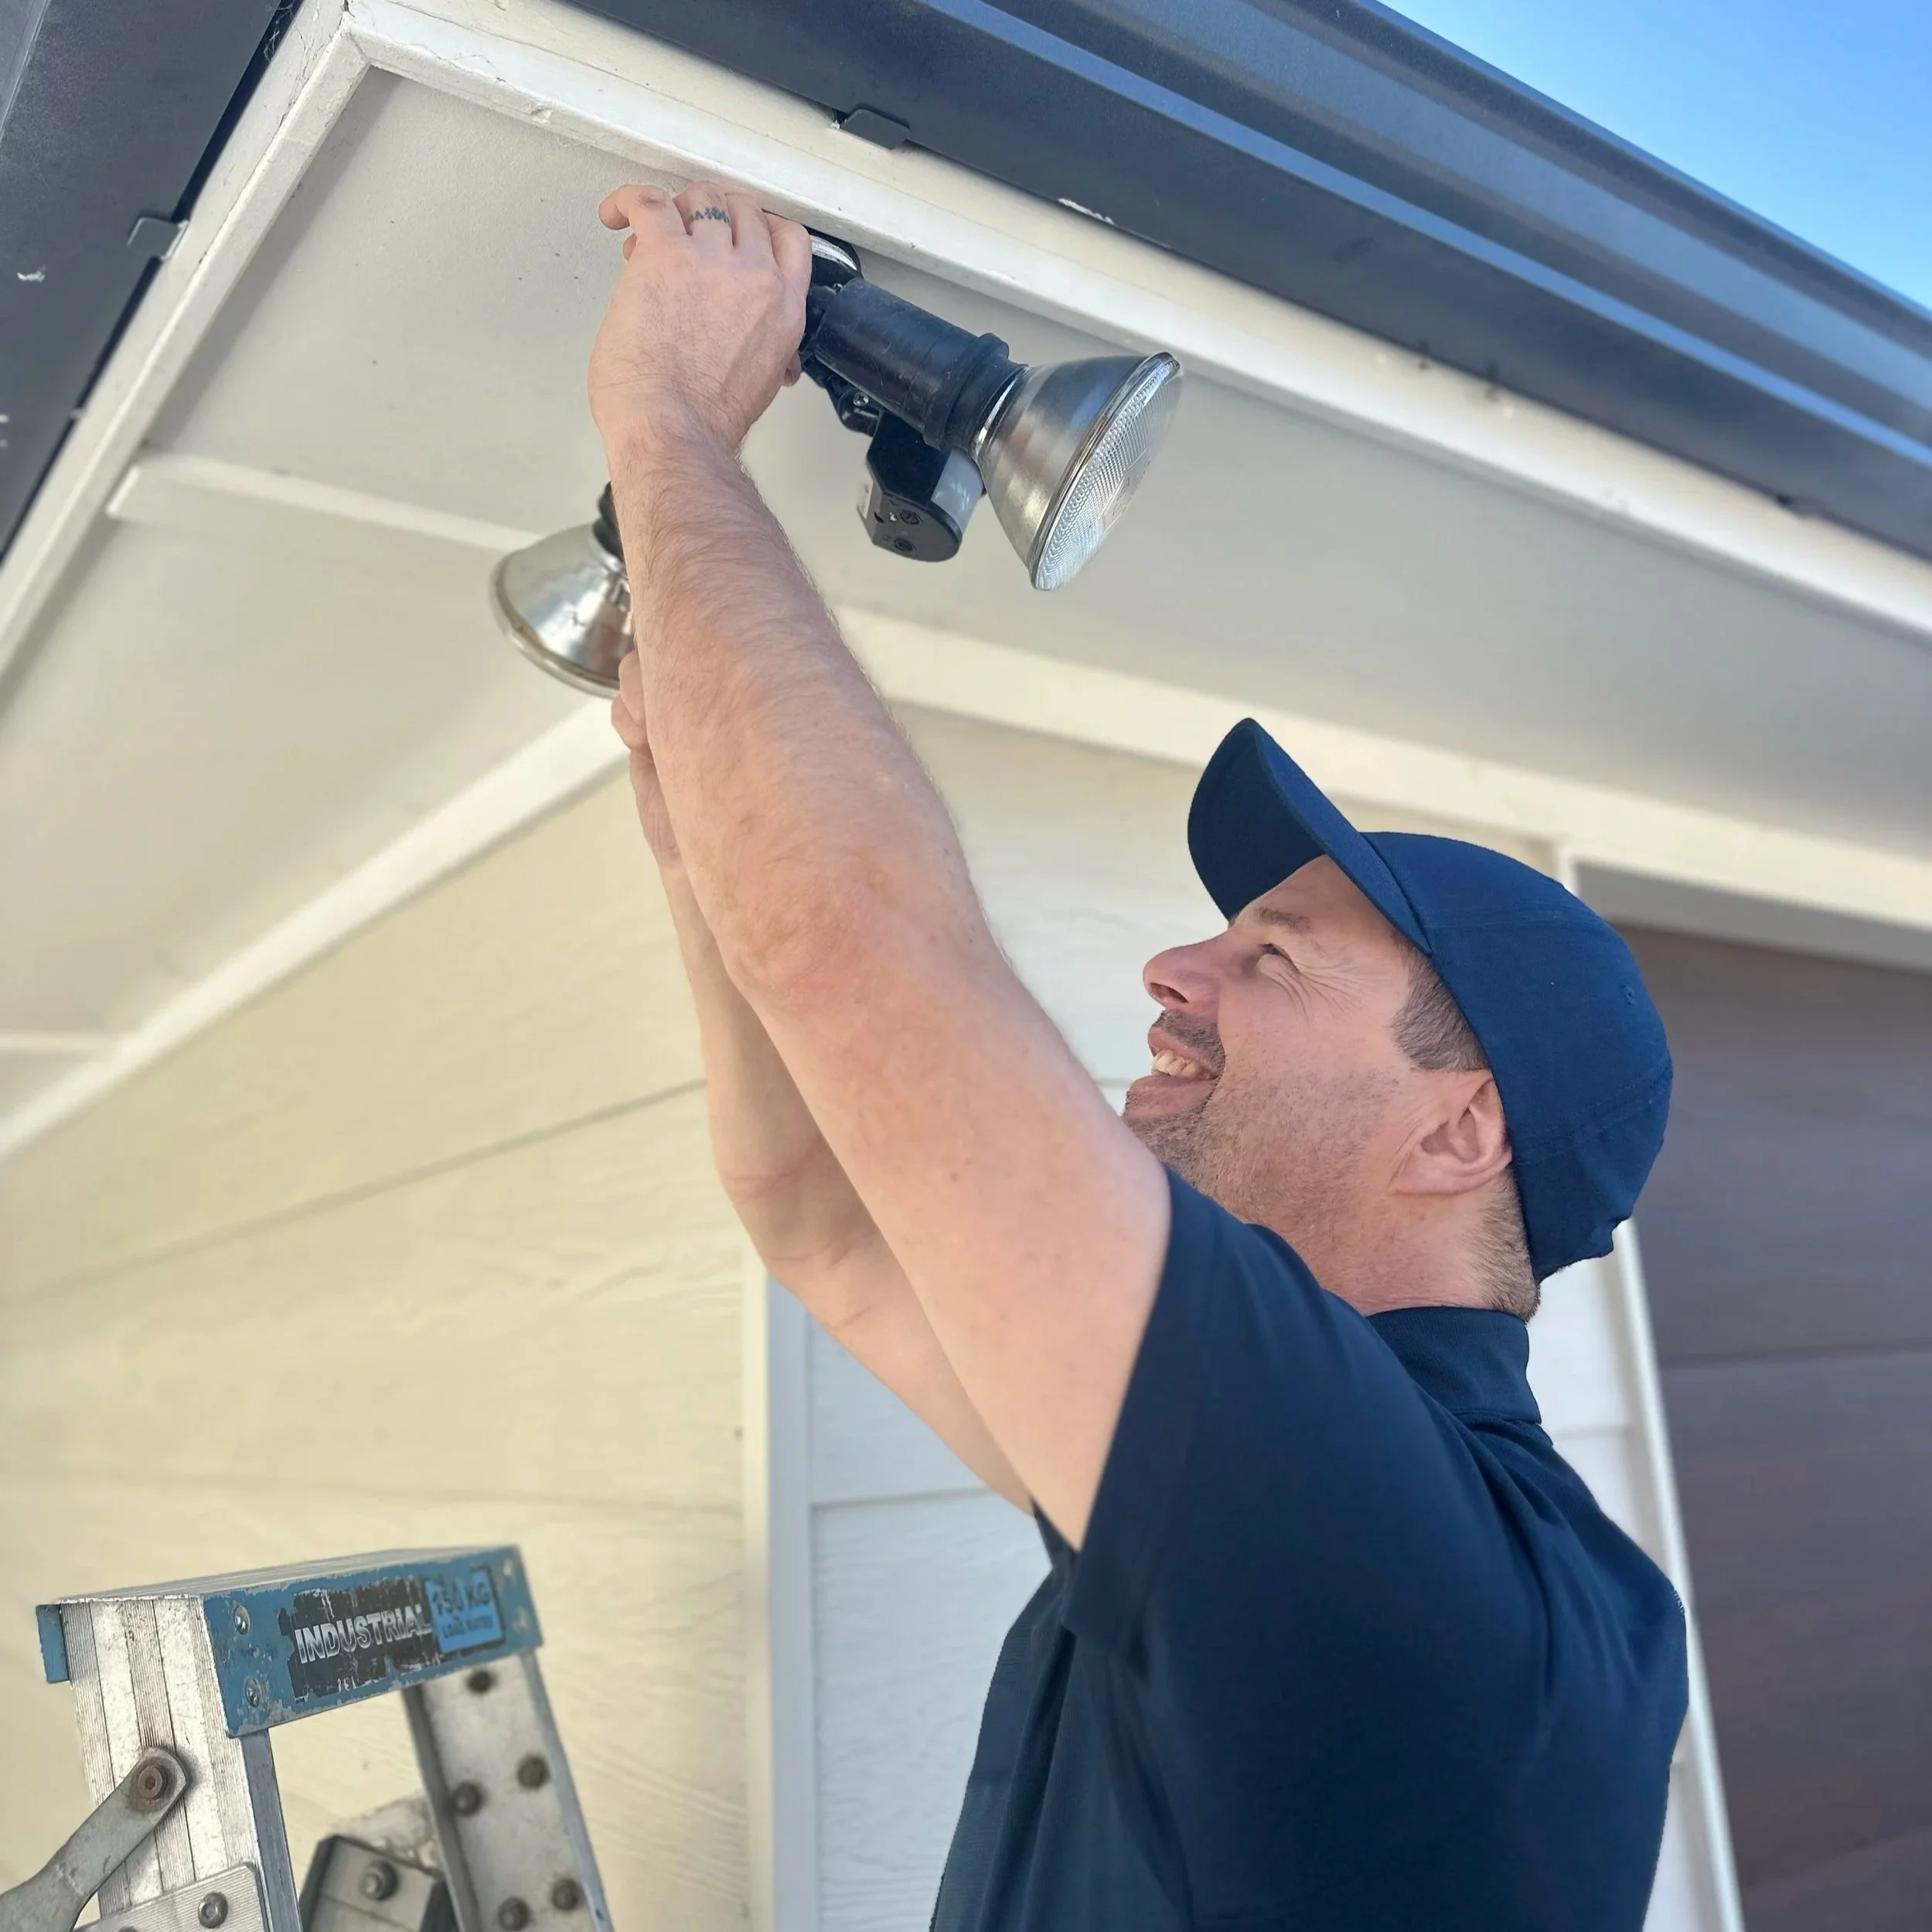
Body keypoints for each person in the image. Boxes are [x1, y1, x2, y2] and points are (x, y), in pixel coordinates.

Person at [588, 179, 1688, 1932]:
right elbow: (828, 1221)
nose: (1176, 965)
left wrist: (670, 423)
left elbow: (856, 951)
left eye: (1270, 955)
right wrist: (687, 827)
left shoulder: (1416, 1572)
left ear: (1459, 1127)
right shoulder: (1295, 1483)